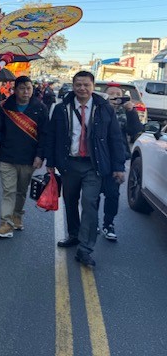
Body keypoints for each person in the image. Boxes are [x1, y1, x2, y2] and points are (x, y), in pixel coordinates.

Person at [45, 71, 126, 268]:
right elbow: (52, 136)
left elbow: (115, 138)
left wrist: (118, 167)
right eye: (78, 84)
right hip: (69, 163)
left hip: (94, 165)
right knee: (70, 202)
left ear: (93, 86)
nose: (82, 88)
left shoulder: (104, 109)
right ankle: (74, 234)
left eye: (86, 85)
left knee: (90, 203)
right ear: (73, 86)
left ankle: (85, 248)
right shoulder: (61, 108)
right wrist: (50, 162)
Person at [0, 76, 48, 238]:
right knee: (9, 191)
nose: (26, 91)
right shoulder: (6, 106)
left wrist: (40, 156)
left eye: (28, 88)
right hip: (8, 156)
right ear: (15, 90)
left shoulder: (40, 108)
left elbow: (44, 134)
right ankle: (6, 223)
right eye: (22, 88)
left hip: (28, 158)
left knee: (21, 191)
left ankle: (17, 216)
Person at [100, 83, 144, 241]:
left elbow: (135, 131)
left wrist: (131, 111)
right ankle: (92, 223)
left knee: (112, 194)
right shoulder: (97, 110)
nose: (115, 97)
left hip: (116, 160)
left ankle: (108, 223)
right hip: (96, 159)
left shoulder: (126, 113)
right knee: (92, 194)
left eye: (118, 94)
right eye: (111, 94)